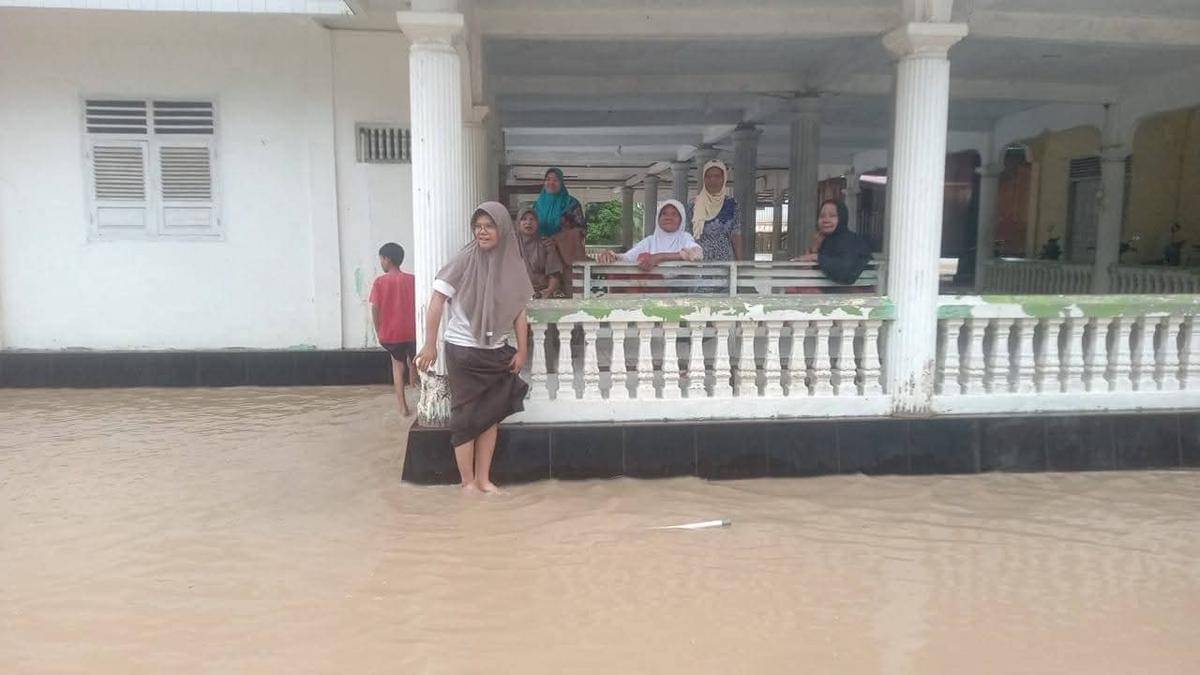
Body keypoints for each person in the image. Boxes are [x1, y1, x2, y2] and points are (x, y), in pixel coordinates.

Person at [414, 202, 533, 494]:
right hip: (463, 350)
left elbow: (519, 311)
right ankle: (467, 483)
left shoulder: (512, 264)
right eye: (478, 226)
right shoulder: (463, 260)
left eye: (489, 226)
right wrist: (429, 344)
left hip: (496, 351)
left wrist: (522, 350)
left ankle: (484, 479)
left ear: (502, 229)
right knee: (466, 417)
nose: (482, 232)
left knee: (490, 418)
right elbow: (437, 300)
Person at [370, 242, 417, 416]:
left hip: (391, 334)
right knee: (414, 362)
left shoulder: (380, 282)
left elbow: (375, 308)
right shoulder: (412, 280)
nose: (381, 263)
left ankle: (403, 408)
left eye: (381, 259)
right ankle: (416, 392)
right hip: (412, 332)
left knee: (397, 366)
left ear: (387, 259)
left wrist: (378, 329)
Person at [597, 199, 703, 270]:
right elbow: (628, 258)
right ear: (658, 218)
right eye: (664, 213)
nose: (668, 217)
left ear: (681, 219)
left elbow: (697, 254)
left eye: (674, 214)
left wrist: (659, 257)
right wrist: (612, 256)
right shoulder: (650, 241)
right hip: (654, 292)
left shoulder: (684, 237)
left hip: (681, 291)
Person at [533, 168, 589, 291]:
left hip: (566, 256)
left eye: (555, 180)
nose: (551, 183)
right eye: (548, 179)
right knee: (542, 292)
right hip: (542, 255)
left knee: (570, 293)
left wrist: (557, 239)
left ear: (562, 183)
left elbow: (582, 230)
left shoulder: (571, 204)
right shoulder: (537, 205)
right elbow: (531, 229)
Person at [794, 199, 873, 285]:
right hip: (832, 289)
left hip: (855, 291)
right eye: (822, 216)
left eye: (832, 216)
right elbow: (808, 270)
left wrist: (815, 257)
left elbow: (846, 271)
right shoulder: (827, 241)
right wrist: (815, 248)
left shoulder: (851, 241)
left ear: (842, 218)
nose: (826, 220)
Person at [688, 159, 743, 261]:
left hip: (725, 262)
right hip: (699, 262)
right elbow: (687, 236)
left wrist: (740, 263)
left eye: (717, 176)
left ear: (724, 178)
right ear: (704, 179)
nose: (713, 180)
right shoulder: (693, 205)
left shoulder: (732, 204)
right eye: (708, 176)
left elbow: (736, 235)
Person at [516, 208, 566, 299]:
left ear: (537, 223)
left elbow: (554, 274)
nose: (528, 223)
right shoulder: (511, 245)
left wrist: (549, 290)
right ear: (518, 223)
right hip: (516, 293)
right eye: (524, 219)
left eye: (532, 219)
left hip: (541, 292)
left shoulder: (546, 244)